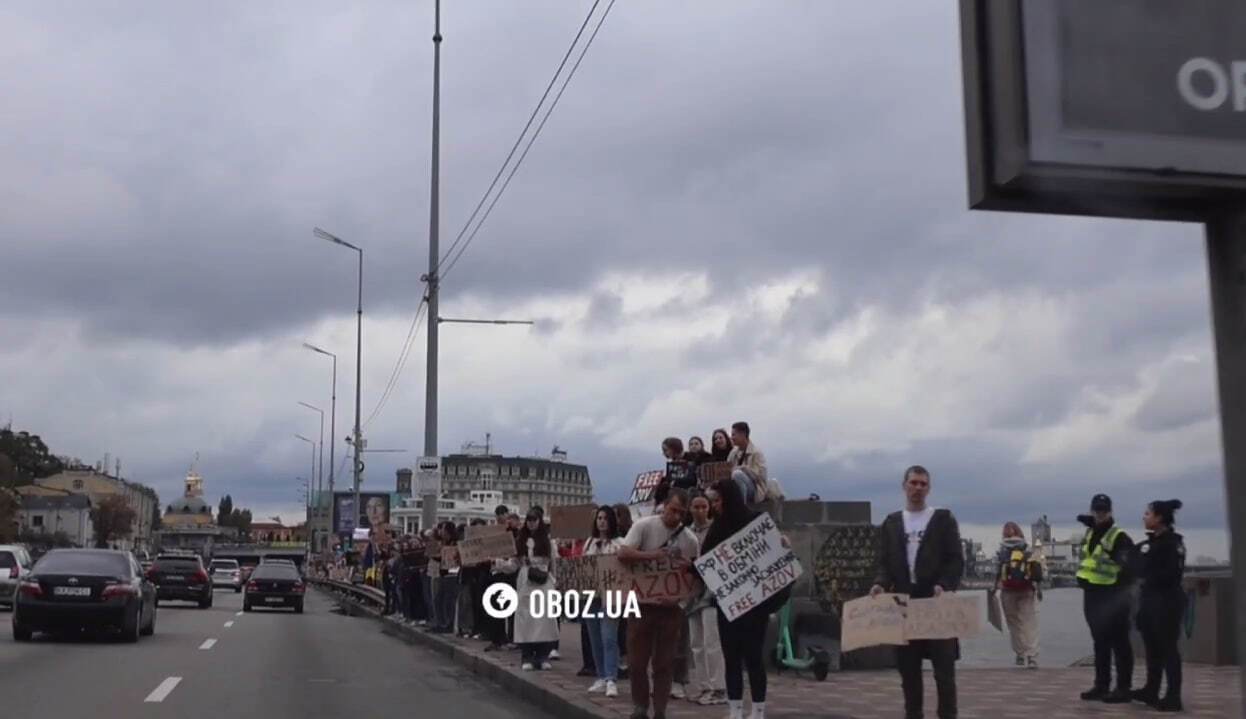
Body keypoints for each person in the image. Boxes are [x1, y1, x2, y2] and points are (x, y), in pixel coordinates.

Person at [870, 465, 964, 719]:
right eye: (913, 483)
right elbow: (884, 561)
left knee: (944, 672)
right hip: (904, 603)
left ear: (929, 488)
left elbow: (956, 559)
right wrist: (880, 583)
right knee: (908, 672)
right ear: (904, 486)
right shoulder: (891, 522)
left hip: (936, 602)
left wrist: (944, 584)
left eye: (923, 484)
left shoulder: (943, 519)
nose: (918, 488)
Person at [618, 487, 700, 719]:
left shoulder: (689, 539)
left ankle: (660, 710)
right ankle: (640, 706)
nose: (676, 517)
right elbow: (623, 553)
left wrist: (678, 599)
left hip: (670, 608)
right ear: (664, 506)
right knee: (636, 662)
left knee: (665, 663)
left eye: (681, 513)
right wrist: (652, 555)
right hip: (642, 603)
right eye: (673, 510)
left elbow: (693, 577)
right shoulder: (644, 526)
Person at [1075, 494, 1136, 703]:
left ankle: (1123, 688)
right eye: (1097, 510)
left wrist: (1117, 590)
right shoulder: (1090, 532)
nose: (1100, 514)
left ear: (1110, 512)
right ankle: (1101, 685)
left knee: (1120, 643)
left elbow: (1131, 568)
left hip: (1113, 596)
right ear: (1092, 510)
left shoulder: (1119, 537)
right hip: (1092, 596)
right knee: (1100, 643)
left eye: (1104, 510)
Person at [1131, 499, 1187, 712]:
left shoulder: (1172, 544)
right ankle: (1151, 690)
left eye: (1148, 513)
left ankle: (1173, 697)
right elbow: (1133, 562)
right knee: (1152, 649)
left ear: (1159, 517)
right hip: (1149, 602)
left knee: (1168, 650)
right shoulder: (1151, 543)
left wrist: (1146, 573)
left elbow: (1171, 575)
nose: (1144, 517)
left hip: (1167, 603)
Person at [686, 492, 726, 706]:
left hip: (711, 592)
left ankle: (718, 686)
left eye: (704, 506)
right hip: (693, 592)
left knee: (712, 641)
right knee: (696, 644)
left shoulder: (716, 529)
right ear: (690, 509)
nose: (700, 511)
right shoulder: (686, 533)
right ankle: (704, 686)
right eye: (696, 507)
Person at [583, 506, 623, 698]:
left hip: (611, 595)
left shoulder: (619, 543)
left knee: (609, 636)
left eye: (605, 518)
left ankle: (611, 678)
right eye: (599, 518)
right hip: (592, 593)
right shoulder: (590, 542)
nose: (602, 521)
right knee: (594, 636)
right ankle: (600, 675)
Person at [514, 511, 559, 670]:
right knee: (526, 619)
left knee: (543, 619)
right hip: (526, 579)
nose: (531, 523)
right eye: (529, 520)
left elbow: (554, 562)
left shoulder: (548, 542)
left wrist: (555, 580)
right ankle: (527, 655)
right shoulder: (521, 540)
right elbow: (514, 563)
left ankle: (543, 655)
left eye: (534, 520)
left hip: (543, 580)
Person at [994, 522, 1042, 668]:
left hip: (1008, 590)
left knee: (1013, 623)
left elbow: (998, 570)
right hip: (1027, 589)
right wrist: (1038, 588)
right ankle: (1032, 655)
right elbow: (1037, 570)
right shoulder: (1027, 548)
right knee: (1029, 622)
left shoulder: (1002, 549)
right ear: (1020, 533)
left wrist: (995, 587)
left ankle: (1020, 654)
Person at [726, 422, 768, 504]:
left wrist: (743, 469)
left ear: (743, 434)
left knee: (737, 474)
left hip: (755, 490)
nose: (732, 438)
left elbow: (760, 477)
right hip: (736, 487)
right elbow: (726, 470)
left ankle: (742, 508)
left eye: (734, 434)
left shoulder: (756, 453)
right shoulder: (733, 453)